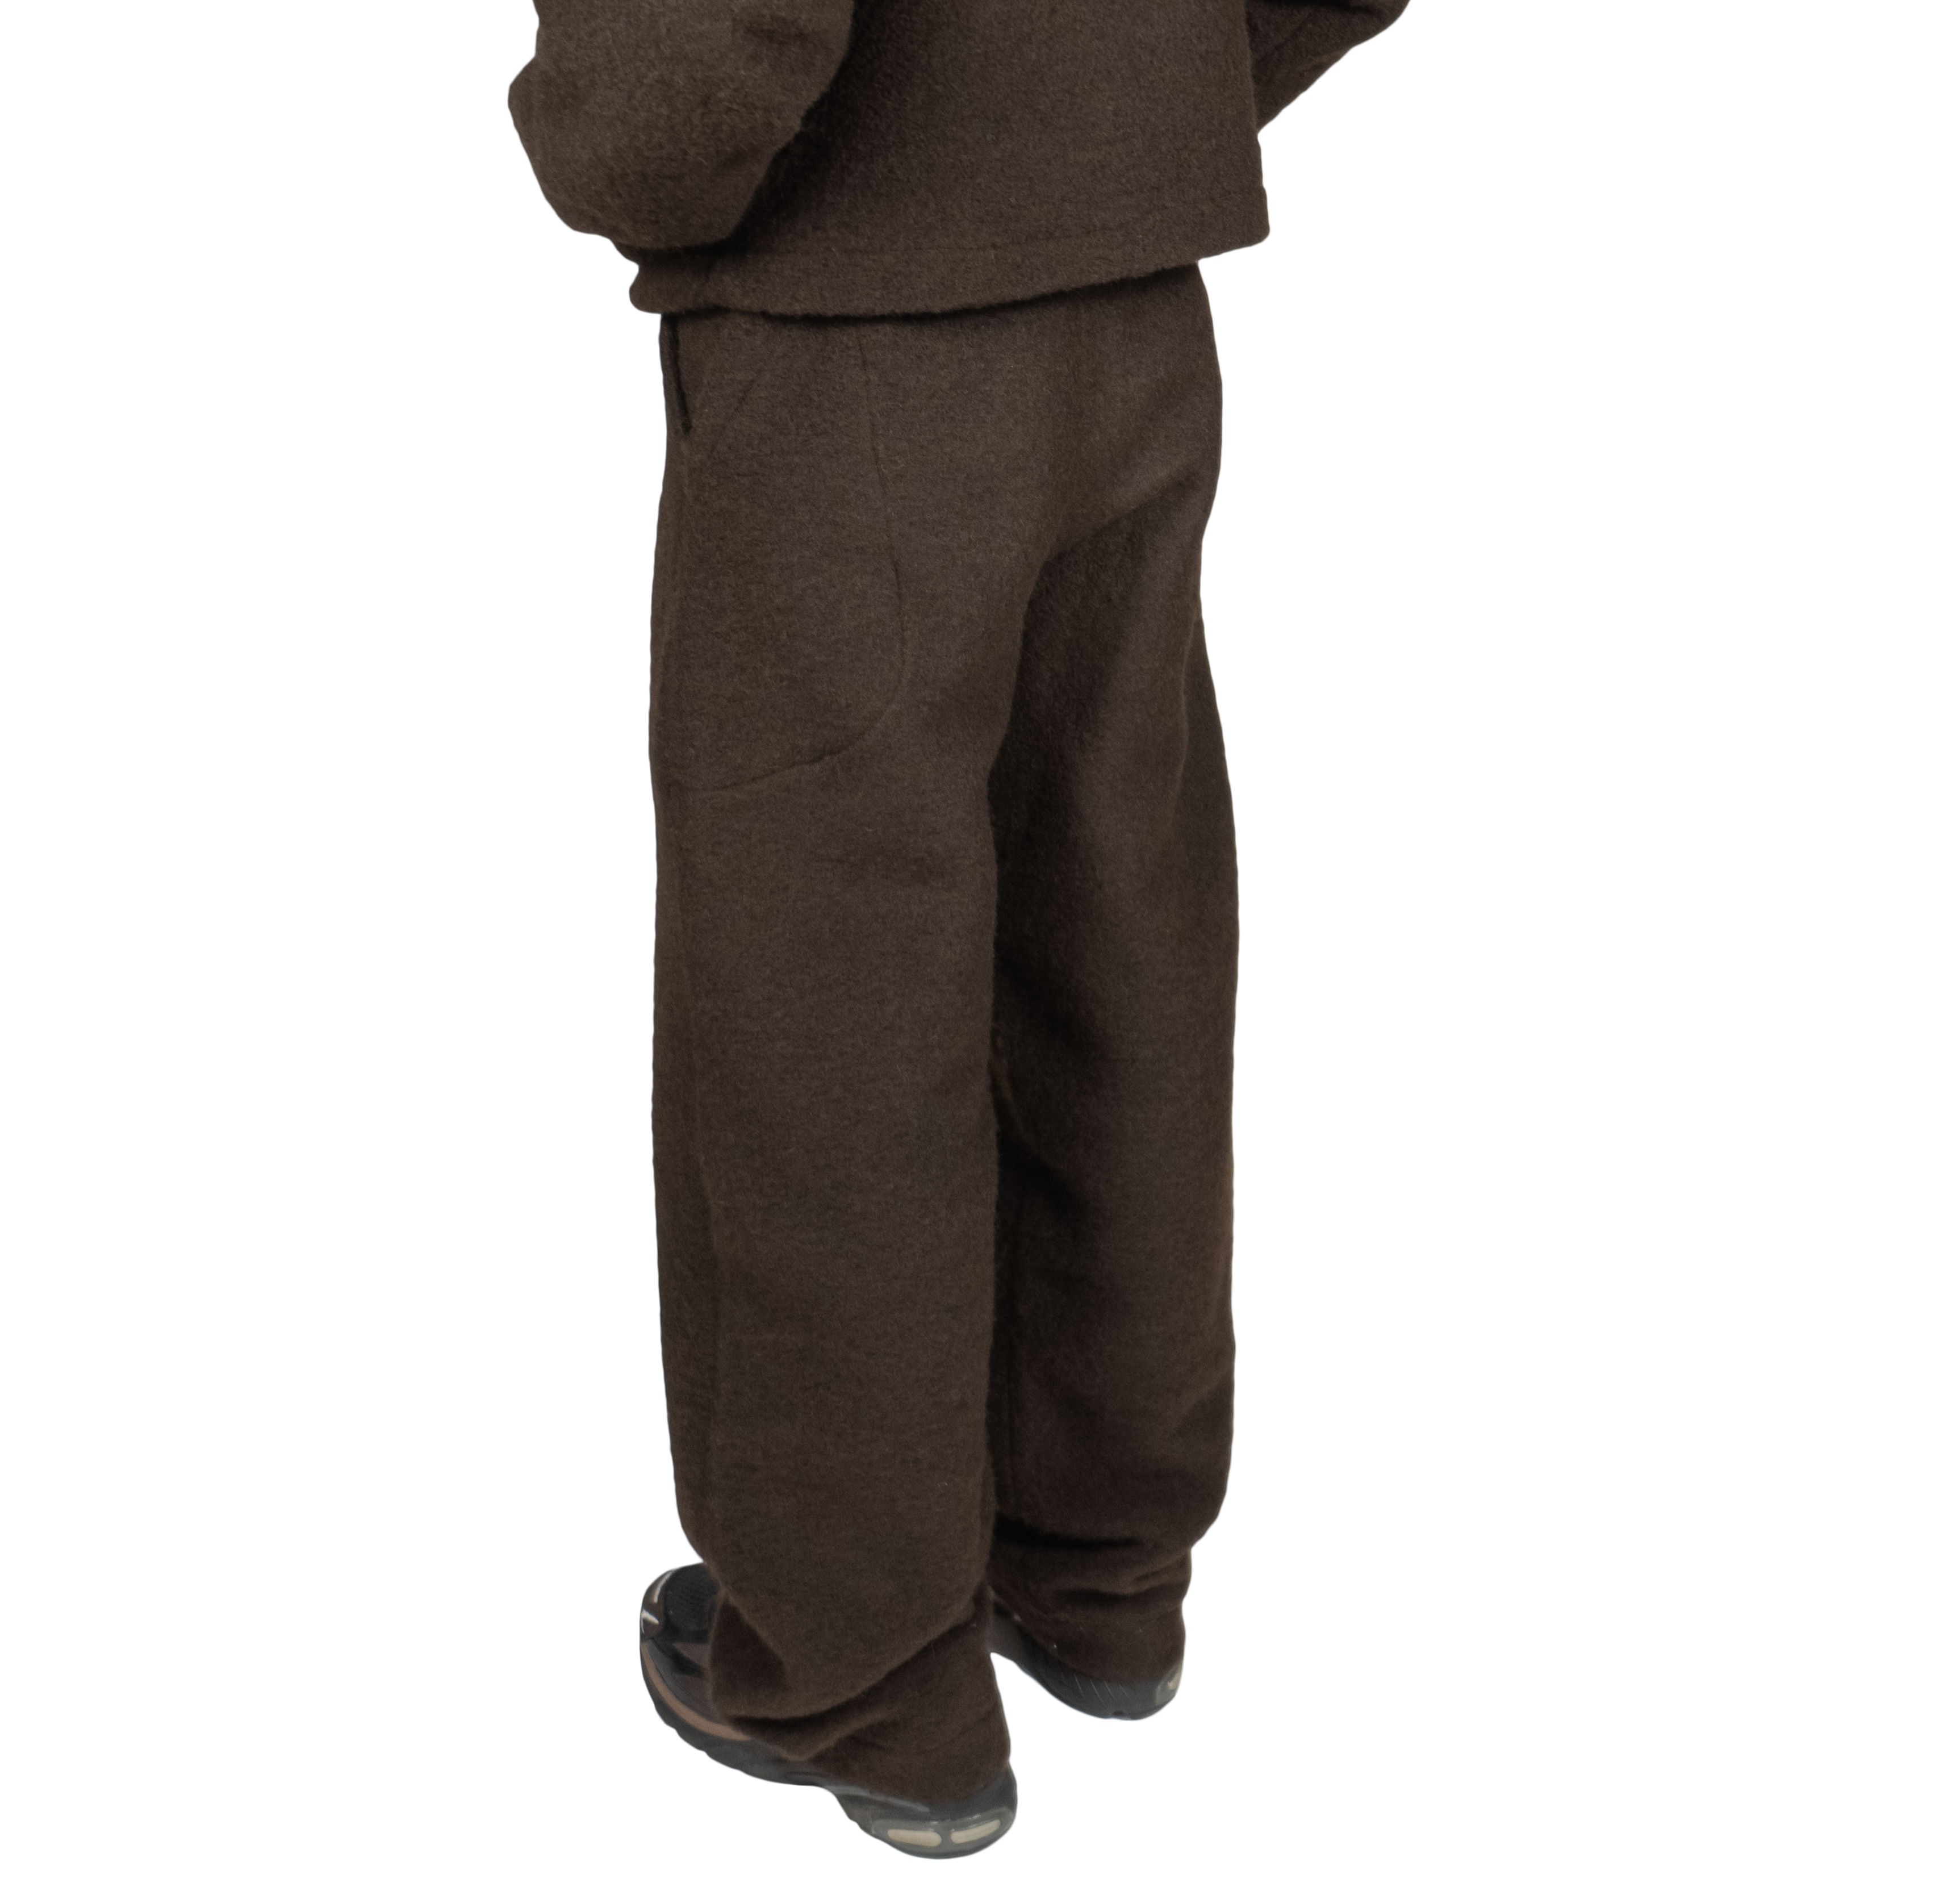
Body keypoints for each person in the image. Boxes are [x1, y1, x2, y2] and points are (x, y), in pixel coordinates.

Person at [508, 0, 1411, 1861]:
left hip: (855, 310)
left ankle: (866, 1682)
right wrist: (1138, 97)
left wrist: (616, 150)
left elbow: (704, 56)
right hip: (1140, 295)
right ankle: (1102, 1578)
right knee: (1119, 931)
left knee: (826, 996)